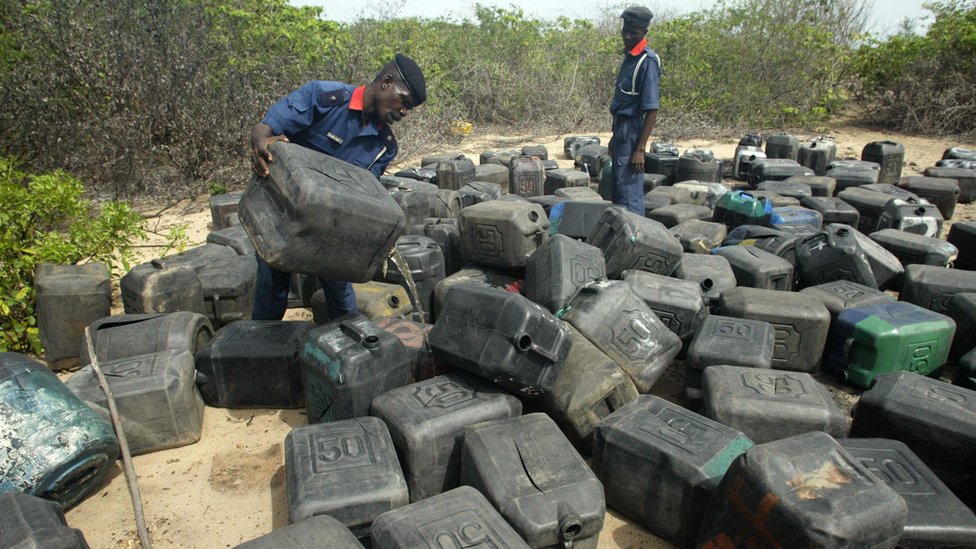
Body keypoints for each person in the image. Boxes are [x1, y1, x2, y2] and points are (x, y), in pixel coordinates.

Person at [248, 53, 427, 321]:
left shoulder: (384, 147)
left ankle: (344, 347)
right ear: (387, 82)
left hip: (331, 227)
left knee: (342, 298)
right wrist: (261, 144)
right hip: (284, 216)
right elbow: (267, 127)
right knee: (271, 285)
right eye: (404, 102)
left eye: (408, 109)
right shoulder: (323, 98)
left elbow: (364, 196)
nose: (403, 112)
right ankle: (261, 346)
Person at [608, 6, 661, 216]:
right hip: (621, 130)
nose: (628, 36)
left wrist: (640, 148)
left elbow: (652, 109)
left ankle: (635, 241)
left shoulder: (647, 62)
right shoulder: (630, 58)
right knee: (620, 191)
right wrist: (614, 137)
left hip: (633, 132)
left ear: (644, 33)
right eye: (625, 31)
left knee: (630, 195)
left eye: (634, 33)